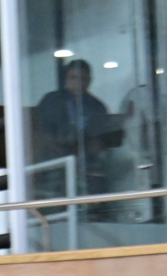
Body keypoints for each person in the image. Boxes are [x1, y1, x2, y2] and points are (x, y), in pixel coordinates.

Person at [32, 58, 122, 200]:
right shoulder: (51, 101)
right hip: (55, 163)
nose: (78, 82)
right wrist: (64, 152)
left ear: (89, 81)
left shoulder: (97, 106)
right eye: (73, 77)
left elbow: (102, 139)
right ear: (65, 79)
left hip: (88, 164)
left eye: (83, 78)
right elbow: (42, 135)